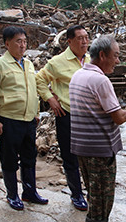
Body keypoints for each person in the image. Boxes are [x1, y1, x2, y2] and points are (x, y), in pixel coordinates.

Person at [69, 35, 126, 222]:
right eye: (116, 56)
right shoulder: (101, 81)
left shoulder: (78, 75)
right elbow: (119, 117)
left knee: (94, 192)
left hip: (82, 147)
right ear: (102, 56)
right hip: (99, 150)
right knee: (103, 199)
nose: (117, 61)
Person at [0, 26, 47, 211]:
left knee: (30, 157)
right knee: (9, 159)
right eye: (18, 41)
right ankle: (12, 195)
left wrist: (36, 112)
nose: (22, 45)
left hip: (29, 120)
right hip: (9, 119)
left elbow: (33, 91)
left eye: (25, 41)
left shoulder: (28, 64)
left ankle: (29, 192)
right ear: (7, 43)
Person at [36, 25, 90, 211]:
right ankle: (76, 195)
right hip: (67, 114)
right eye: (80, 38)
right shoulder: (57, 62)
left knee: (89, 155)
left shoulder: (90, 60)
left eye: (86, 37)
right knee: (70, 156)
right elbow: (40, 80)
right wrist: (50, 98)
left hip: (88, 117)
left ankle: (90, 190)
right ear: (69, 41)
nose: (84, 42)